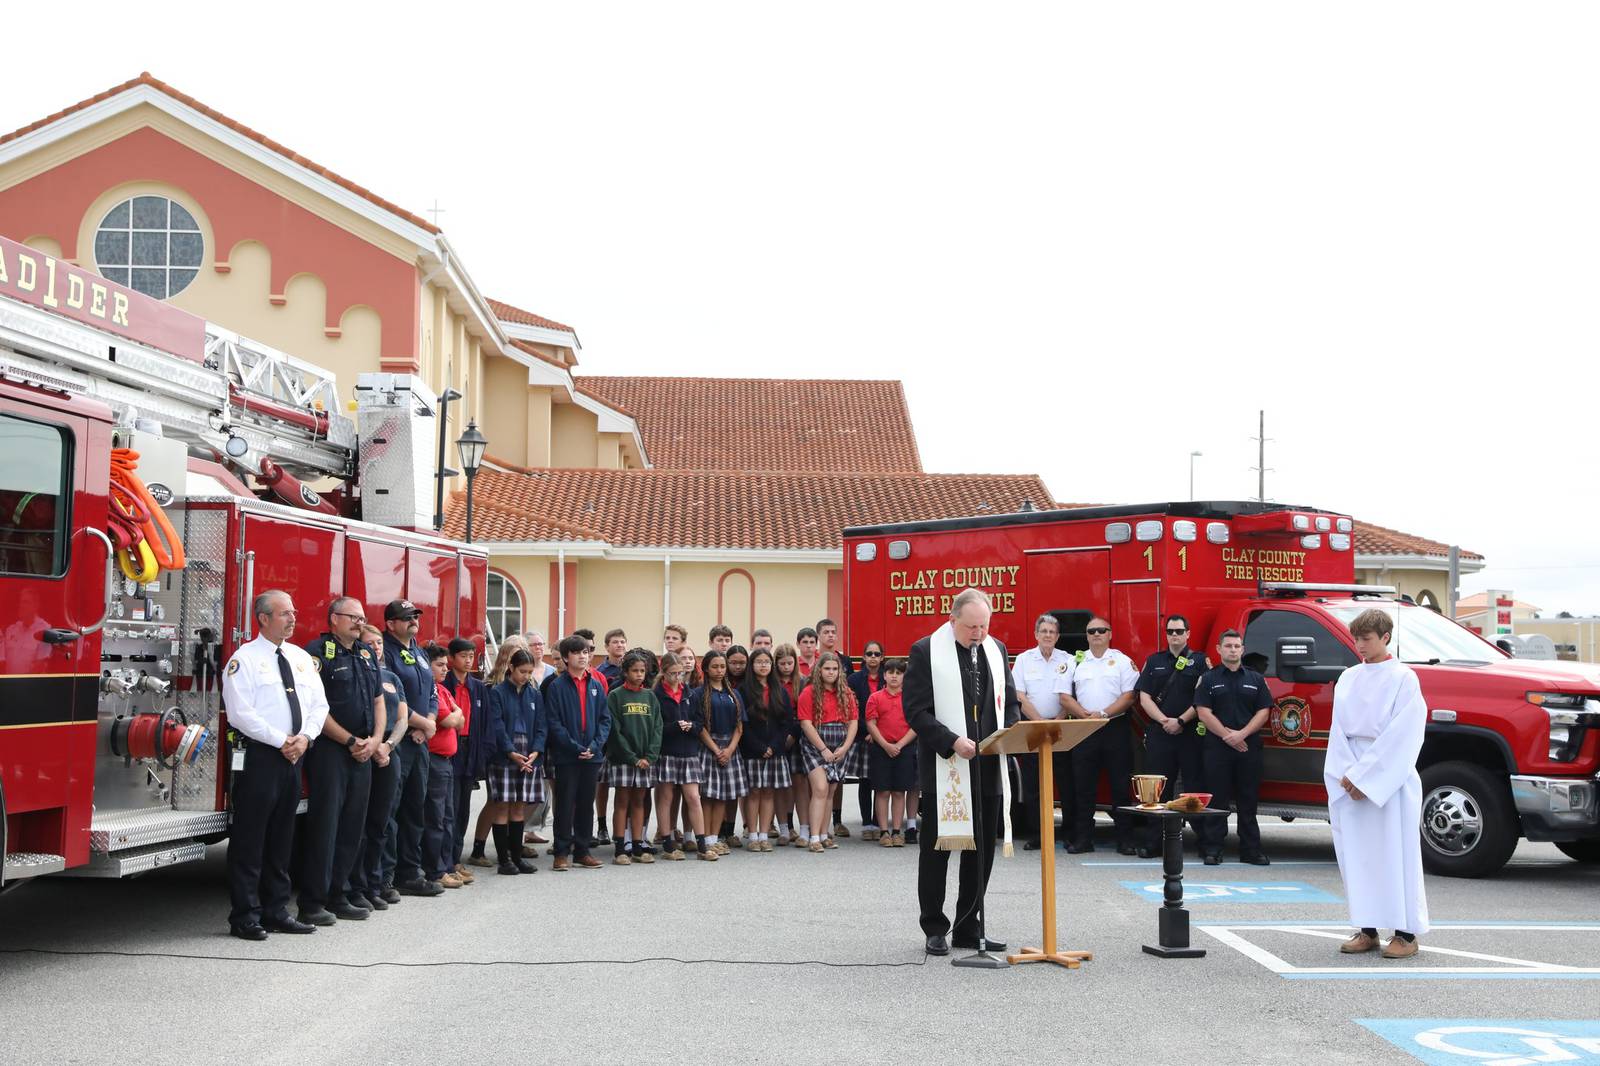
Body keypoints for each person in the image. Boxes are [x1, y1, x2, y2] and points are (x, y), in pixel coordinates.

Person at [904, 589, 1020, 957]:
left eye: (983, 626)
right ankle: (935, 926)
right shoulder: (926, 651)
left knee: (980, 851)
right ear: (953, 620)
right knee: (939, 849)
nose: (978, 634)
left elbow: (1011, 703)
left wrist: (1008, 733)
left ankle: (969, 926)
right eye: (971, 626)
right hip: (946, 766)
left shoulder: (996, 650)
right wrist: (952, 741)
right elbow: (916, 711)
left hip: (987, 764)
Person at [221, 590, 329, 940]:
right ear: (263, 618)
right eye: (284, 613)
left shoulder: (300, 658)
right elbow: (240, 713)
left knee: (283, 838)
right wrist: (280, 740)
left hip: (295, 756)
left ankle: (276, 910)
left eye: (294, 612)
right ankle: (245, 916)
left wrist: (305, 738)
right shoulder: (244, 660)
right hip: (262, 757)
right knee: (251, 839)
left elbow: (319, 705)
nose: (293, 618)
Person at [1327, 609, 1429, 959]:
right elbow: (1338, 731)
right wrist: (1346, 774)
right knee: (1359, 856)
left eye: (1366, 639)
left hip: (1390, 778)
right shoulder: (1348, 678)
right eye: (1356, 638)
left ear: (1385, 637)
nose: (1359, 646)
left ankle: (1406, 933)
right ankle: (1366, 928)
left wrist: (1365, 777)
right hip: (1351, 769)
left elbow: (1404, 734)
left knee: (1395, 853)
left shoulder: (1404, 678)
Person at [296, 597, 383, 926]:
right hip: (332, 750)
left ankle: (340, 893)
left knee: (352, 826)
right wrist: (349, 740)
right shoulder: (317, 653)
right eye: (353, 617)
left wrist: (374, 740)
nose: (360, 623)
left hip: (363, 750)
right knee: (326, 827)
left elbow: (378, 701)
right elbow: (315, 708)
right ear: (334, 619)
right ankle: (312, 902)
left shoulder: (364, 653)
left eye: (363, 618)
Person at [1057, 615, 1139, 855]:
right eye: (1091, 631)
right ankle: (1083, 839)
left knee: (1120, 786)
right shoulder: (1076, 661)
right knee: (1083, 787)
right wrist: (1083, 715)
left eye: (1101, 630)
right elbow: (1064, 696)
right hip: (1084, 729)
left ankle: (1125, 840)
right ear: (1086, 635)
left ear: (1110, 634)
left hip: (1115, 728)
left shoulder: (1122, 661)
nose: (1096, 635)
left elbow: (1129, 696)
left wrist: (1102, 713)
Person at [1194, 629, 1274, 866]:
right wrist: (1228, 736)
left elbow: (1264, 711)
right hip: (1217, 748)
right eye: (1228, 646)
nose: (1232, 650)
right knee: (1216, 800)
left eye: (1236, 646)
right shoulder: (1208, 679)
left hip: (1248, 747)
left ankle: (1251, 850)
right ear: (1219, 649)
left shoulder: (1256, 679)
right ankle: (1213, 849)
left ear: (1242, 650)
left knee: (1248, 800)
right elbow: (1203, 712)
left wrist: (1242, 734)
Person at [380, 599, 442, 897]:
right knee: (392, 810)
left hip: (419, 742)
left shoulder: (417, 649)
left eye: (415, 616)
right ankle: (387, 875)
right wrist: (421, 725)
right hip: (398, 742)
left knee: (415, 809)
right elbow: (393, 698)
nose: (413, 622)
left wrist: (428, 721)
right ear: (391, 624)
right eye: (406, 618)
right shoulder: (386, 652)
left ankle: (410, 871)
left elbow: (431, 692)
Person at [1134, 614, 1209, 857]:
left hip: (1189, 734)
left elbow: (1202, 698)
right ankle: (1153, 842)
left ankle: (1205, 843)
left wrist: (1180, 720)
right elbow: (1143, 697)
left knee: (1194, 788)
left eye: (1179, 631)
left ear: (1188, 633)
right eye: (1170, 631)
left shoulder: (1199, 662)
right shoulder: (1154, 661)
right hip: (1160, 733)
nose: (1174, 635)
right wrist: (1164, 721)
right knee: (1156, 790)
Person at [349, 625, 408, 911]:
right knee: (359, 824)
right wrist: (373, 746)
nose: (376, 647)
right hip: (363, 752)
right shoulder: (361, 673)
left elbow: (402, 719)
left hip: (388, 754)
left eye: (380, 642)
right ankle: (356, 886)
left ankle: (377, 883)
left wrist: (388, 746)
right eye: (370, 643)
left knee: (381, 824)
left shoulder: (392, 677)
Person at [543, 634, 610, 870]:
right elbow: (553, 722)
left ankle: (583, 851)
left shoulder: (595, 684)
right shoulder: (556, 687)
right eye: (577, 653)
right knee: (565, 803)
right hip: (567, 756)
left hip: (592, 755)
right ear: (565, 657)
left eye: (585, 652)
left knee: (585, 803)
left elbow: (604, 719)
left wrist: (595, 745)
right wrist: (574, 747)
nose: (583, 657)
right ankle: (561, 852)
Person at [1011, 614, 1076, 852]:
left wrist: (1057, 720)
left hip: (1061, 728)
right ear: (1036, 634)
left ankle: (1069, 833)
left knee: (1066, 784)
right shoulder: (1024, 660)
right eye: (1044, 631)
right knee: (1033, 785)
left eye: (1052, 632)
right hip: (1034, 729)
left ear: (1057, 636)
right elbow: (1019, 695)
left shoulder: (1068, 660)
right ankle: (1038, 834)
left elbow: (1070, 694)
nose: (1048, 635)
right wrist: (1039, 722)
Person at [487, 648, 545, 875]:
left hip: (529, 754)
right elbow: (497, 726)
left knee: (520, 805)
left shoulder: (535, 695)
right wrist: (511, 752)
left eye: (530, 672)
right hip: (505, 755)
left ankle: (517, 856)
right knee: (503, 804)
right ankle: (504, 860)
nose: (526, 676)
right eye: (522, 671)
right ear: (511, 668)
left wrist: (537, 751)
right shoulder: (498, 692)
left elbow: (542, 726)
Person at [796, 651, 858, 853]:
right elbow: (805, 723)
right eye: (827, 668)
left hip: (839, 744)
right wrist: (822, 749)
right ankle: (813, 836)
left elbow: (853, 722)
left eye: (835, 669)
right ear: (819, 670)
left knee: (831, 790)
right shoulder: (809, 692)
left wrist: (845, 747)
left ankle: (824, 834)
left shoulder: (846, 692)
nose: (831, 672)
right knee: (820, 788)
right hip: (815, 745)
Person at [606, 649, 663, 864]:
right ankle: (621, 847)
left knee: (639, 801)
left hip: (645, 760)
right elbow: (615, 731)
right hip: (624, 759)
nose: (639, 674)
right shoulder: (615, 696)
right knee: (622, 801)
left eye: (642, 671)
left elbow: (658, 728)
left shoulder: (650, 696)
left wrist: (649, 756)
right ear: (625, 672)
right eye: (634, 671)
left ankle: (638, 845)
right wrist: (631, 757)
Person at [442, 637, 491, 883]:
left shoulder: (478, 687)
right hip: (451, 746)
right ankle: (446, 861)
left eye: (471, 656)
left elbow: (483, 725)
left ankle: (456, 859)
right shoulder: (445, 684)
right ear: (451, 659)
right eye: (463, 656)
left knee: (462, 809)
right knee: (448, 807)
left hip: (470, 747)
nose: (468, 660)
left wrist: (480, 758)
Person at [694, 650, 746, 856]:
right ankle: (705, 838)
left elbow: (740, 725)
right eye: (715, 666)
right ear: (706, 668)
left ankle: (715, 838)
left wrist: (730, 749)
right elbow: (699, 726)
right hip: (709, 748)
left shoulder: (733, 693)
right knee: (708, 796)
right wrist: (716, 750)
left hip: (730, 748)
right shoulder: (699, 693)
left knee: (722, 796)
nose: (719, 670)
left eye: (722, 666)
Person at [739, 648, 789, 852]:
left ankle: (764, 835)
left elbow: (786, 722)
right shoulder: (743, 690)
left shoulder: (779, 690)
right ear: (752, 665)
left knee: (769, 792)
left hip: (775, 750)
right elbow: (743, 723)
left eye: (767, 662)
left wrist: (774, 746)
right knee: (754, 792)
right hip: (752, 750)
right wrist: (759, 747)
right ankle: (752, 835)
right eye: (759, 662)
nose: (763, 665)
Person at [423, 645, 465, 888]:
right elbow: (450, 719)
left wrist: (456, 713)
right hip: (435, 761)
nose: (445, 669)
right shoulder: (432, 692)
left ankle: (447, 865)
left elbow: (460, 721)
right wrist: (455, 713)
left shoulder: (443, 691)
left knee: (449, 816)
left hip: (448, 762)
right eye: (439, 665)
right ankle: (435, 870)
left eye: (445, 665)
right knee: (436, 817)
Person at [866, 656, 916, 847]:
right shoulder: (875, 698)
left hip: (904, 748)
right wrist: (885, 745)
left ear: (904, 676)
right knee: (882, 791)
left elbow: (915, 724)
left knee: (899, 791)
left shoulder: (910, 698)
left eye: (899, 673)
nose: (894, 677)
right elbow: (871, 723)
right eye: (890, 673)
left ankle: (897, 831)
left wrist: (900, 745)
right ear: (884, 675)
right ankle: (883, 831)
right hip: (881, 749)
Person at [849, 642, 885, 840]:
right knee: (865, 780)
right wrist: (868, 730)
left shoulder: (888, 678)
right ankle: (866, 823)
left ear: (881, 658)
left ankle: (878, 822)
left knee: (880, 780)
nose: (873, 657)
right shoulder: (854, 680)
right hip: (863, 736)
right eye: (869, 653)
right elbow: (852, 710)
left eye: (876, 654)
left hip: (883, 736)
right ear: (863, 657)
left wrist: (878, 731)